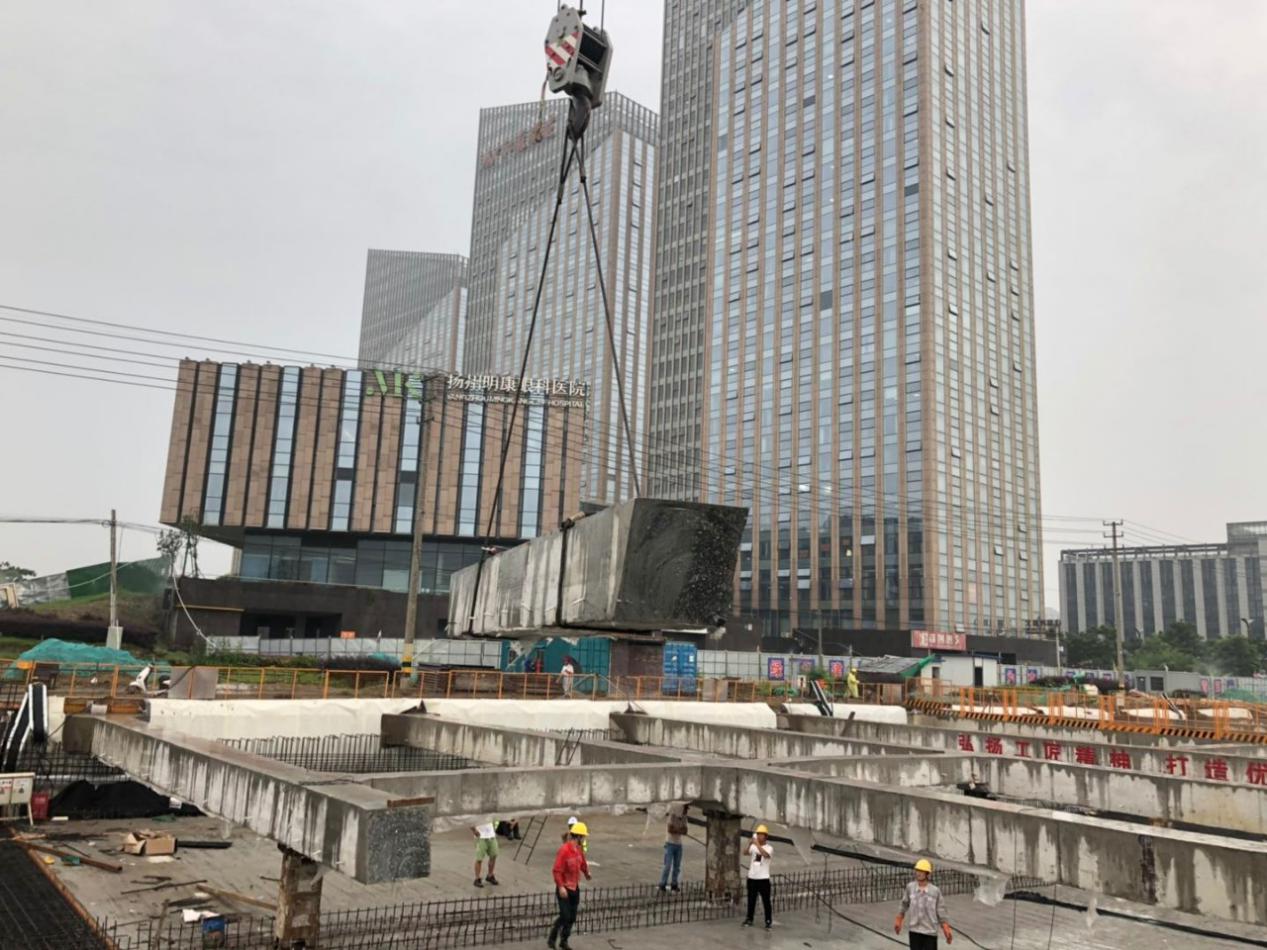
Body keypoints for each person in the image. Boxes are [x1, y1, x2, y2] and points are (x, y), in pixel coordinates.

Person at [548, 820, 591, 950]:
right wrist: (561, 887)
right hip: (564, 889)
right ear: (578, 837)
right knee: (565, 916)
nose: (584, 839)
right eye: (583, 837)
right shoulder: (564, 850)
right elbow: (557, 870)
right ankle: (552, 938)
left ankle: (564, 941)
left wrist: (586, 873)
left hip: (574, 887)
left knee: (572, 917)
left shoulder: (578, 850)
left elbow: (582, 863)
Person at [894, 859, 953, 948]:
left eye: (921, 871)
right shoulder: (910, 888)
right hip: (914, 931)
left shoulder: (935, 891)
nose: (918, 873)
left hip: (930, 932)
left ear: (927, 874)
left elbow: (941, 910)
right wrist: (899, 920)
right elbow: (904, 904)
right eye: (917, 870)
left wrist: (946, 928)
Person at [741, 824, 773, 929]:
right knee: (751, 900)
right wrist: (750, 844)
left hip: (763, 878)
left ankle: (768, 920)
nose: (759, 836)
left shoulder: (769, 848)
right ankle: (749, 918)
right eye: (758, 834)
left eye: (761, 835)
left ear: (765, 836)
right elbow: (745, 852)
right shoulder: (753, 847)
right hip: (752, 877)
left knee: (766, 901)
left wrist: (757, 844)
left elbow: (765, 855)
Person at [658, 804, 689, 892]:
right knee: (667, 865)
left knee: (677, 866)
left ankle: (674, 884)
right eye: (685, 809)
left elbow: (685, 831)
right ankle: (662, 883)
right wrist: (680, 830)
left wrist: (677, 830)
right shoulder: (672, 816)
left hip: (679, 844)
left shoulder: (684, 818)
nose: (685, 811)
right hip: (670, 843)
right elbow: (670, 829)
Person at [470, 819, 499, 888]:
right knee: (479, 859)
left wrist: (494, 828)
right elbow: (469, 820)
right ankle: (477, 879)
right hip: (481, 837)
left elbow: (495, 818)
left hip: (491, 836)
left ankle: (490, 875)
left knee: (493, 856)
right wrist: (474, 830)